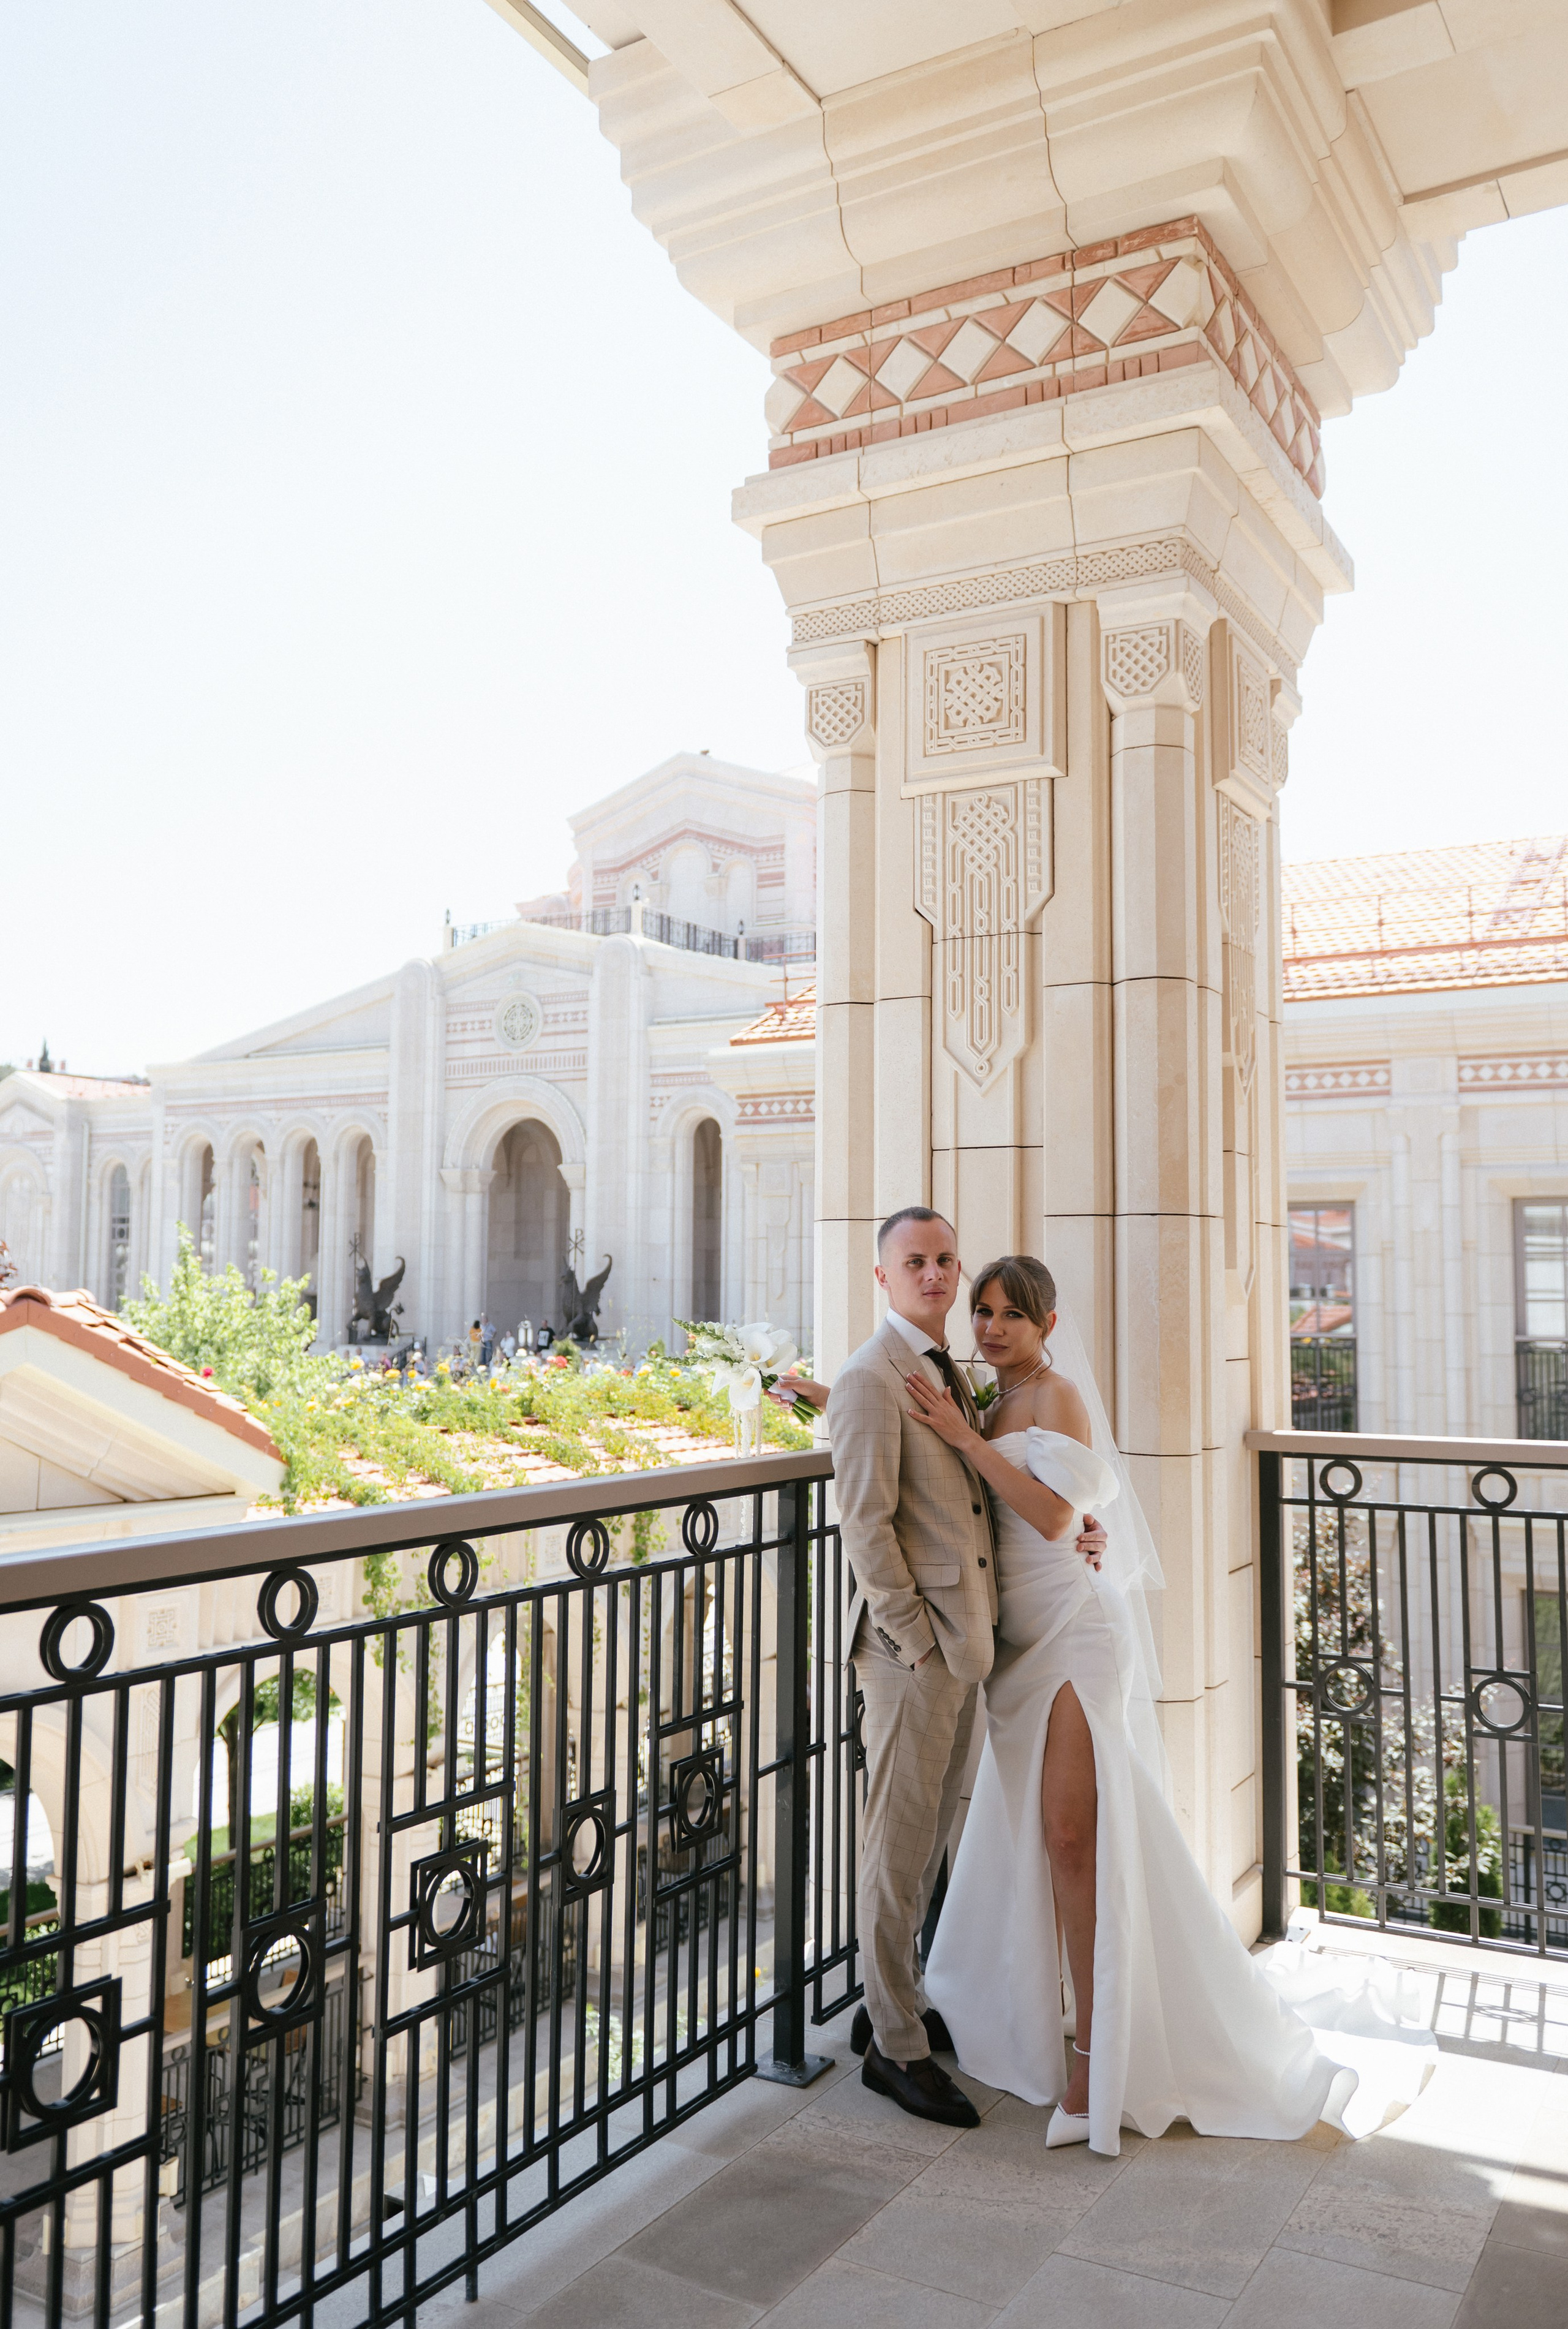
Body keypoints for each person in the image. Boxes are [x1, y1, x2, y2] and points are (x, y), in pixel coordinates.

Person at [913, 1253, 1432, 2153]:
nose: (992, 1327)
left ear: (1047, 1322)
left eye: (1012, 1315)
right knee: (1033, 1838)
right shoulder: (987, 1402)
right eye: (984, 1311)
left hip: (1076, 1633)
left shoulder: (1056, 1396)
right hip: (1014, 1649)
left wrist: (974, 1447)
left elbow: (1048, 1514)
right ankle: (1026, 2017)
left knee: (1077, 1840)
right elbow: (1030, 1504)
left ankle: (1094, 2058)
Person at [824, 1210, 1104, 2132]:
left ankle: (893, 2000)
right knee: (895, 1852)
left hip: (967, 1648)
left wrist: (1079, 1525)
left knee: (930, 1836)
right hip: (918, 1654)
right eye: (919, 1261)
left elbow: (986, 1489)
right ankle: (894, 2051)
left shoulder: (947, 1369)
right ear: (883, 1275)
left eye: (947, 1258)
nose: (939, 1274)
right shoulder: (873, 1374)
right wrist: (912, 1637)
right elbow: (864, 1525)